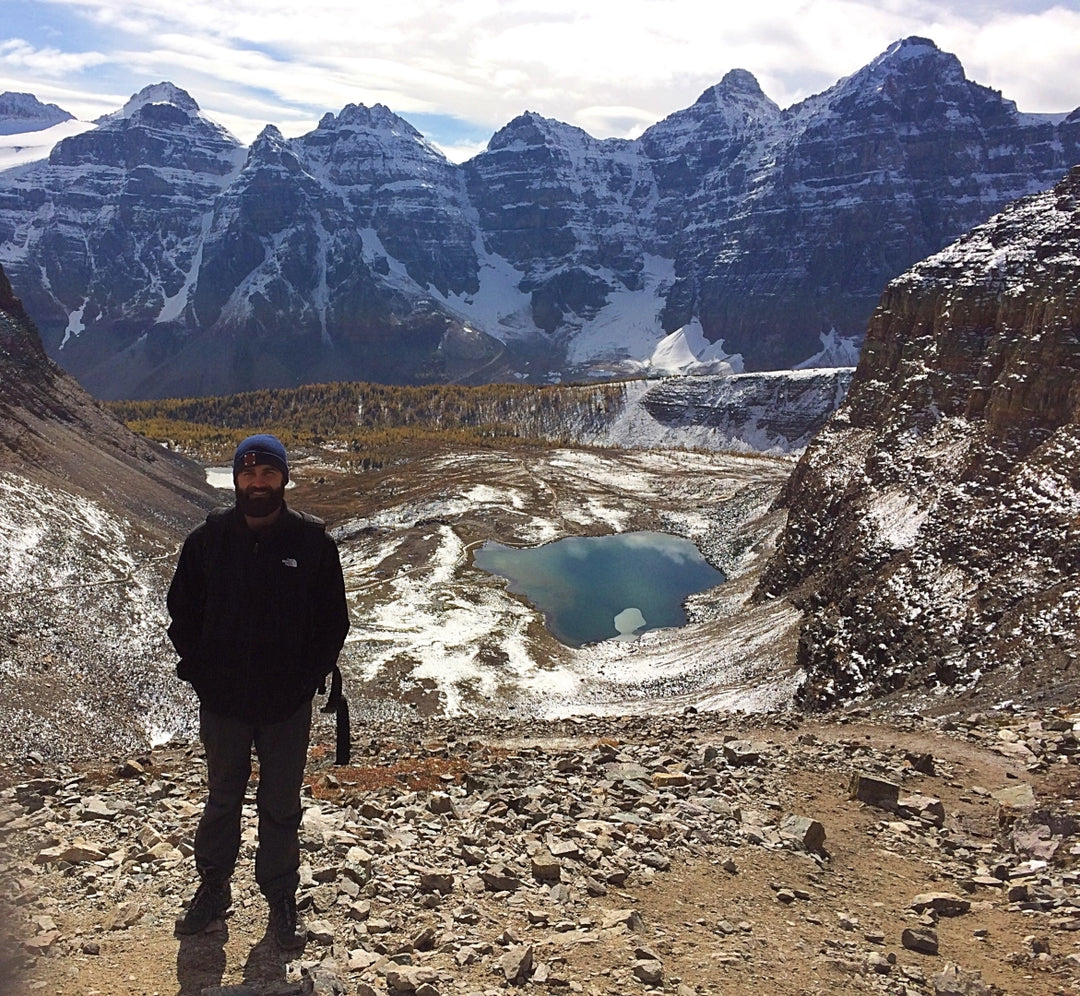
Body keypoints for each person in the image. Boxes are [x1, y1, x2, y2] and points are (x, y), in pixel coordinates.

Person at [166, 433, 350, 949]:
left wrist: (304, 678)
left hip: (285, 705)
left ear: (284, 478)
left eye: (268, 473)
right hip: (224, 701)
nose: (258, 483)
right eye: (248, 474)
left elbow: (332, 622)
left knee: (280, 802)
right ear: (236, 480)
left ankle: (280, 898)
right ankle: (212, 891)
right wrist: (202, 672)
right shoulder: (207, 542)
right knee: (222, 797)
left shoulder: (313, 544)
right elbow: (182, 613)